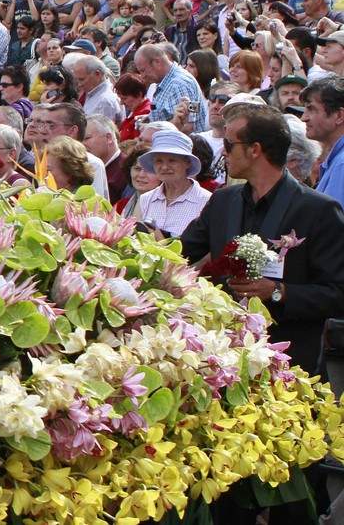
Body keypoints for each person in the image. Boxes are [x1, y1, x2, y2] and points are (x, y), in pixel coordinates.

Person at [179, 103, 344, 375]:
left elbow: (337, 294)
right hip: (224, 360)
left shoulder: (318, 211)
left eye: (229, 144)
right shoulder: (222, 201)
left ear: (255, 150)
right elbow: (181, 251)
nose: (223, 151)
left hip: (289, 365)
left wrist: (279, 291)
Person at [134, 129, 212, 236]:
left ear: (187, 163)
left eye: (172, 160)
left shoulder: (206, 201)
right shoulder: (146, 199)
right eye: (159, 161)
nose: (165, 167)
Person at [302, 75, 344, 207]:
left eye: (311, 108)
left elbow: (334, 225)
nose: (304, 118)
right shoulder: (337, 160)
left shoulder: (341, 164)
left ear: (339, 116)